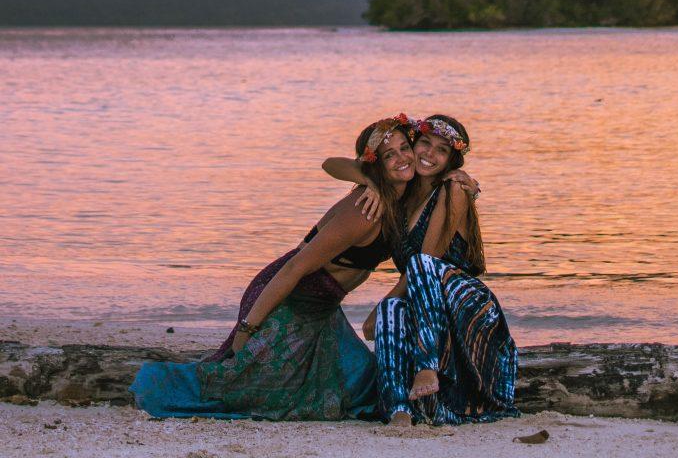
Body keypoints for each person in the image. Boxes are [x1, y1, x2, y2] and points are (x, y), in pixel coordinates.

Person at [130, 116, 415, 421]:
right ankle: (152, 382)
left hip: (323, 311)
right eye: (389, 155)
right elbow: (294, 268)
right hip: (286, 301)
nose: (401, 158)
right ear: (375, 165)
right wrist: (247, 329)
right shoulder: (365, 210)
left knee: (363, 387)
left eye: (404, 147)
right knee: (243, 390)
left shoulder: (401, 196)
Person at [323, 114, 519, 426]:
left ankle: (427, 366)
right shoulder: (401, 192)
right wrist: (369, 180)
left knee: (416, 270)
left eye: (441, 150)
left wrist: (376, 310)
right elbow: (332, 164)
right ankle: (398, 408)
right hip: (428, 311)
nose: (429, 153)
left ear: (451, 160)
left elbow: (427, 260)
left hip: (464, 302)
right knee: (392, 309)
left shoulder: (452, 189)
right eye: (425, 143)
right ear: (414, 143)